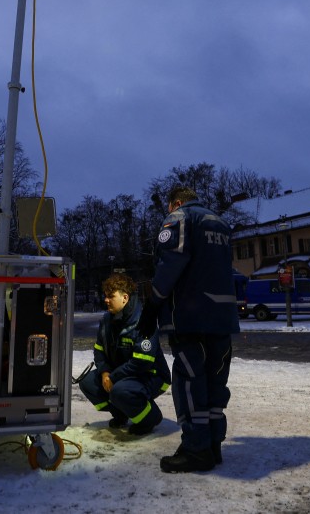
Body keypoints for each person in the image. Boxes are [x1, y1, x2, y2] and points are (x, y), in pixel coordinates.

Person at [139, 186, 240, 473]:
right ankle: (213, 444)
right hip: (222, 316)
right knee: (215, 382)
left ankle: (196, 449)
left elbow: (170, 264)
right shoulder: (221, 223)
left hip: (190, 315)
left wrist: (153, 303)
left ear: (177, 202)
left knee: (190, 382)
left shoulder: (180, 218)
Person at [79, 272, 171, 436]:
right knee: (88, 383)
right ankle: (121, 413)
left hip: (151, 375)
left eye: (111, 296)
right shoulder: (107, 320)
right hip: (122, 375)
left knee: (120, 391)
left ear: (125, 298)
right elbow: (99, 350)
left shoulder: (143, 321)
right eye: (105, 296)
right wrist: (104, 373)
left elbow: (142, 362)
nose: (106, 300)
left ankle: (149, 419)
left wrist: (113, 378)